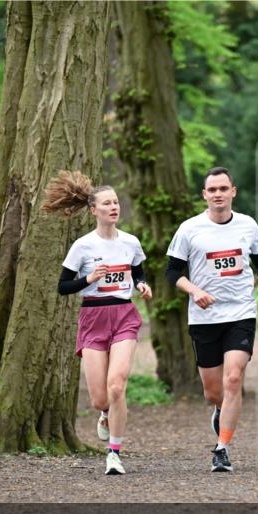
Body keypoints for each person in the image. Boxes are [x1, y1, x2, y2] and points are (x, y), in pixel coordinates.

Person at [166, 167, 258, 472]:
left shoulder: (247, 225)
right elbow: (172, 272)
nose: (218, 194)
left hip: (241, 312)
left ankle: (222, 449)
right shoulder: (189, 229)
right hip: (204, 317)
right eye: (212, 190)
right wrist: (194, 290)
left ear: (233, 192)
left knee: (233, 379)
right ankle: (219, 409)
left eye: (223, 189)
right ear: (204, 194)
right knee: (213, 392)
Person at [43, 171, 153, 475]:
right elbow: (63, 287)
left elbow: (138, 270)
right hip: (93, 318)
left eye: (115, 202)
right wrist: (89, 278)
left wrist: (142, 285)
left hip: (124, 315)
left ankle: (114, 454)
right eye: (107, 203)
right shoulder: (83, 246)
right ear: (94, 210)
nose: (113, 207)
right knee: (99, 398)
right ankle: (105, 413)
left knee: (117, 386)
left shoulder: (130, 242)